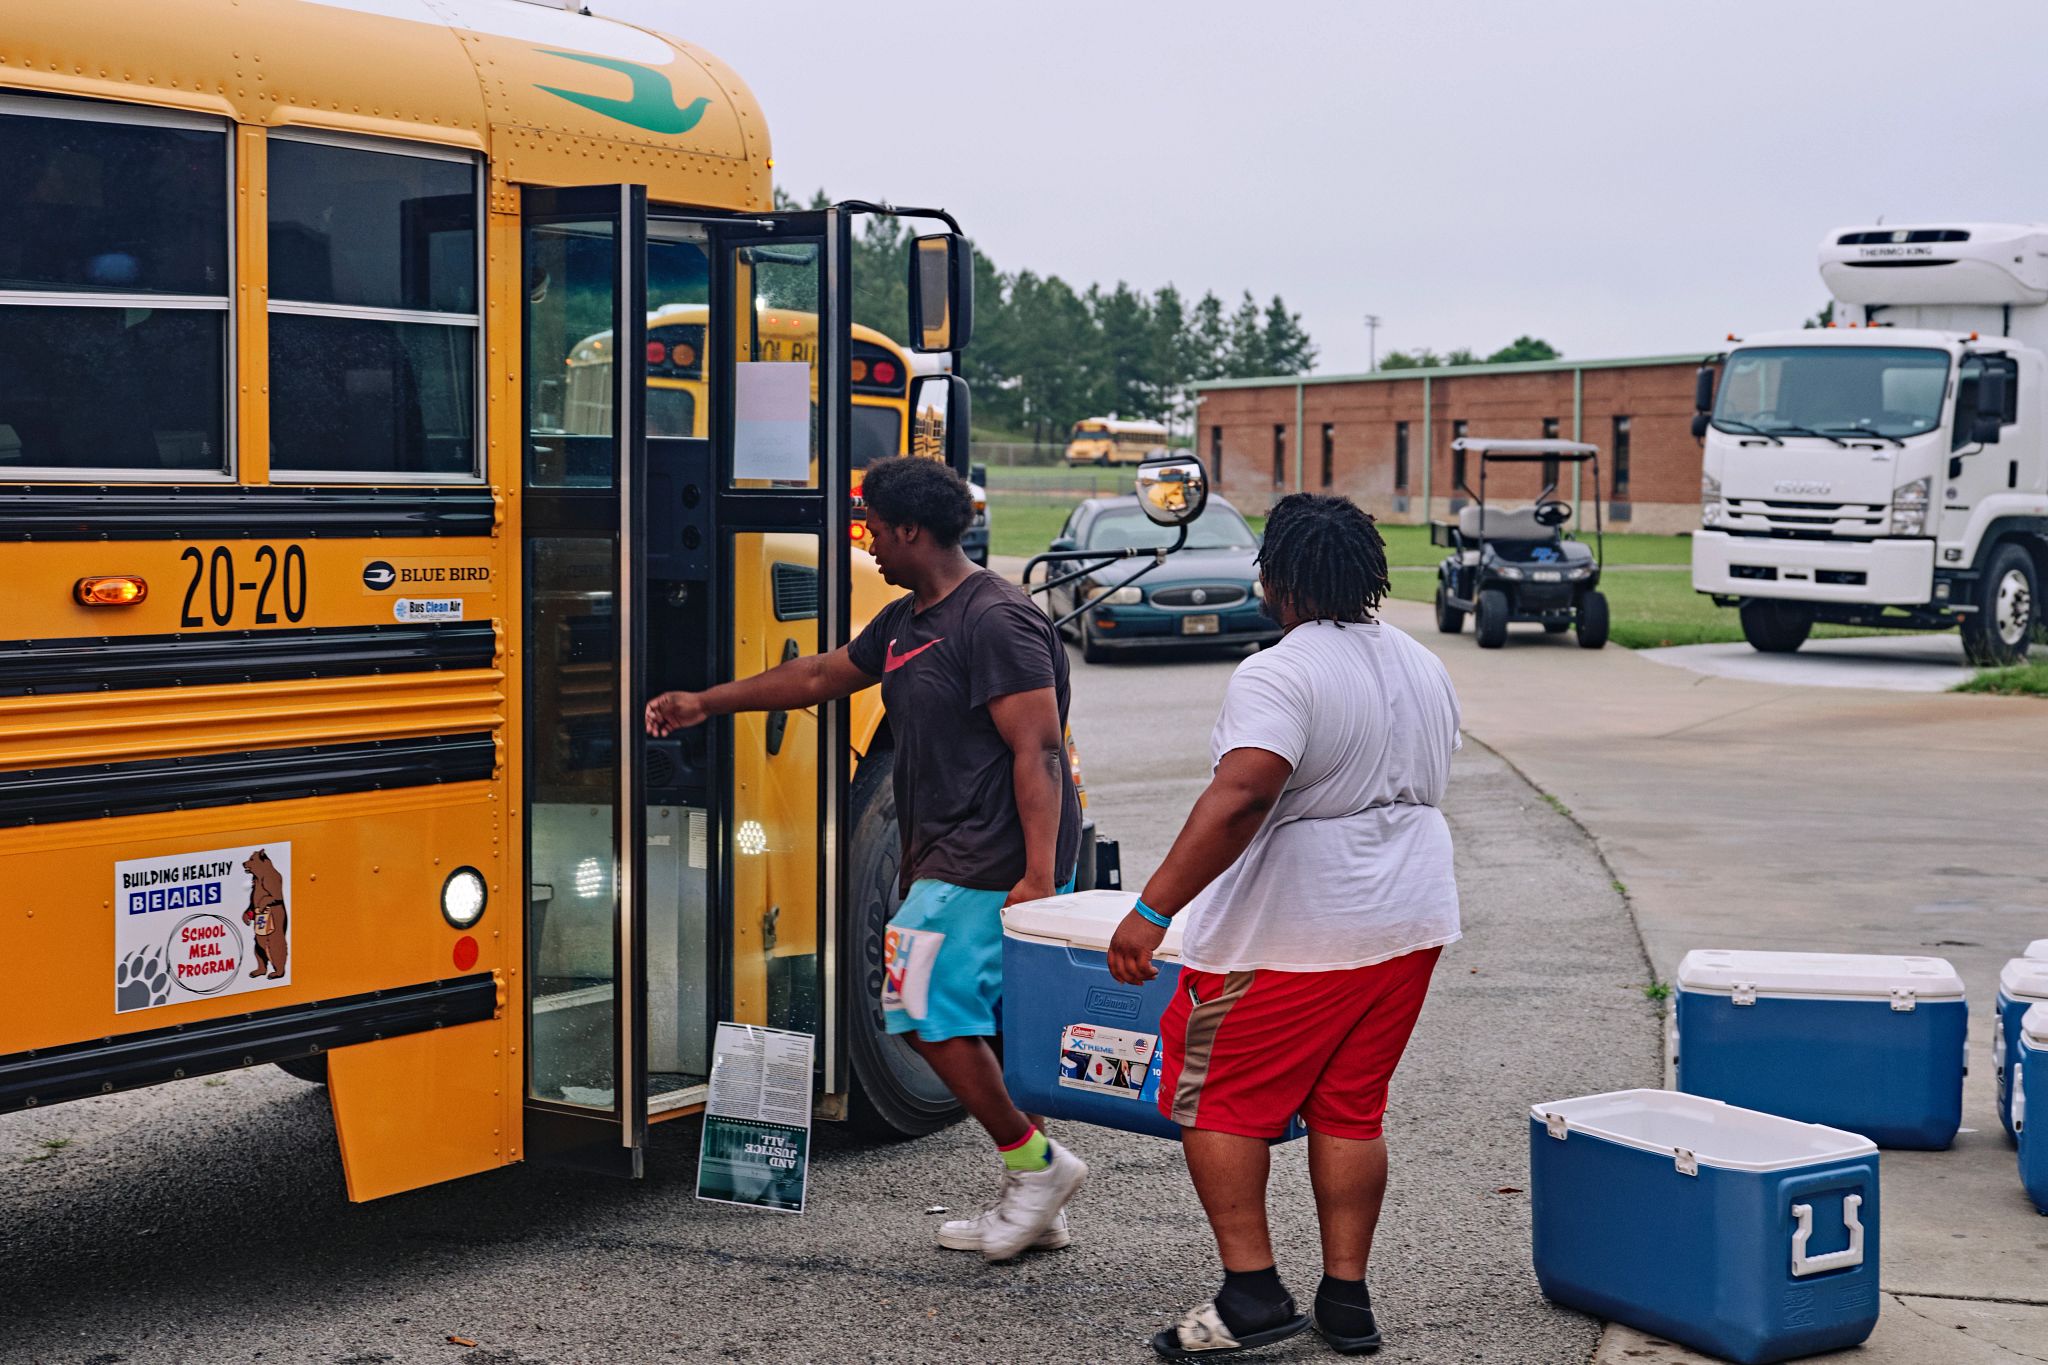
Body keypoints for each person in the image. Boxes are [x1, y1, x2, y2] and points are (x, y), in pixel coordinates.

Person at [646, 456, 1087, 1261]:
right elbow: (819, 674)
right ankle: (1036, 1195)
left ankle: (1038, 1169)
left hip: (990, 857)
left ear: (913, 530)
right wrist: (706, 702)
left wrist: (1037, 875)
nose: (871, 544)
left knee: (917, 1007)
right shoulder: (908, 620)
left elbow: (1041, 752)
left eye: (877, 529)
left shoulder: (998, 620)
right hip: (947, 852)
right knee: (972, 1019)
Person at [1106, 492, 1462, 1360]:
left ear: (1281, 578)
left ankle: (1253, 1291)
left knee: (1218, 1099)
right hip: (1407, 917)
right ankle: (1347, 1300)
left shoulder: (1280, 669)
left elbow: (1245, 794)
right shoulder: (1421, 661)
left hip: (1299, 931)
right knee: (1350, 1108)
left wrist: (1150, 910)